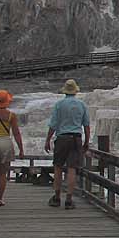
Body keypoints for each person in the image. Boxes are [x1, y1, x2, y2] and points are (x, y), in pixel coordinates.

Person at [47, 79, 89, 210]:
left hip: (62, 138)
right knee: (72, 169)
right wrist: (86, 141)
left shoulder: (59, 105)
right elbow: (86, 125)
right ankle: (69, 199)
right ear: (75, 91)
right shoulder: (81, 105)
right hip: (76, 138)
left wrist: (47, 139)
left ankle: (56, 197)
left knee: (58, 167)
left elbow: (53, 124)